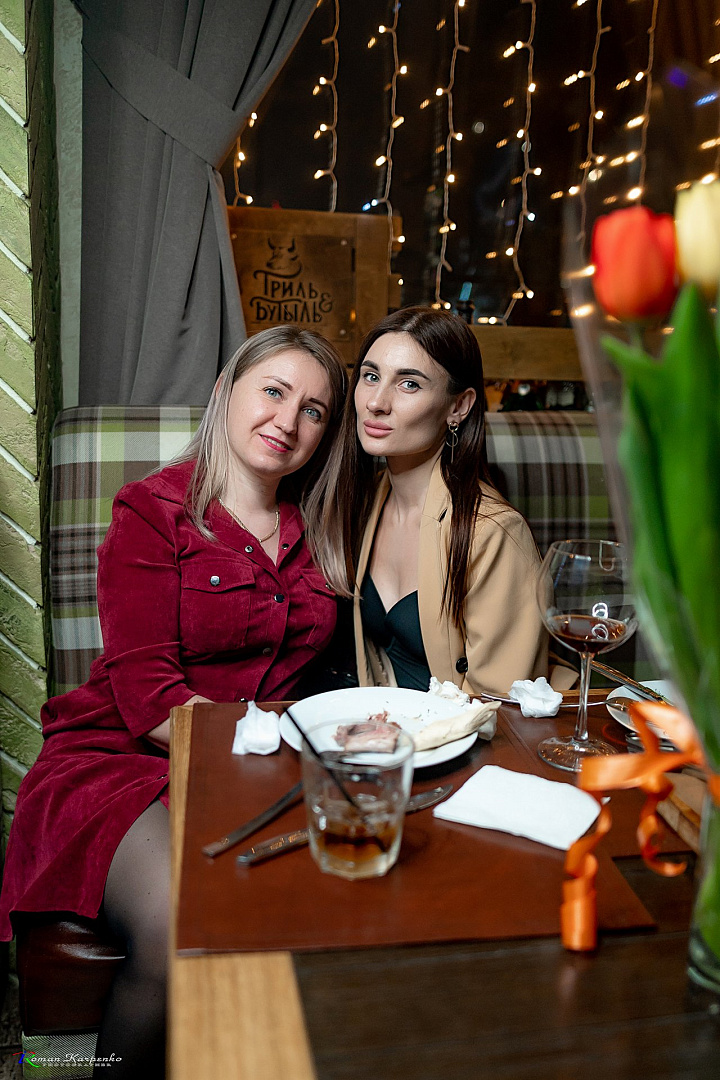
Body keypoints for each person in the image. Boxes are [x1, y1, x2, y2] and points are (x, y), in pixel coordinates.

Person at [0, 326, 347, 1077]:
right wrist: (281, 743)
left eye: (314, 410)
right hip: (121, 761)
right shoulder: (152, 511)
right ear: (226, 393)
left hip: (250, 767)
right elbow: (150, 700)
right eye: (274, 391)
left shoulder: (322, 533)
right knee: (176, 925)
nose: (288, 421)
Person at [306, 306, 547, 696]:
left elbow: (500, 702)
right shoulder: (365, 501)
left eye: (409, 384)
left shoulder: (492, 532)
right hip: (375, 718)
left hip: (457, 729)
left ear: (458, 407)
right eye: (371, 376)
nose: (376, 402)